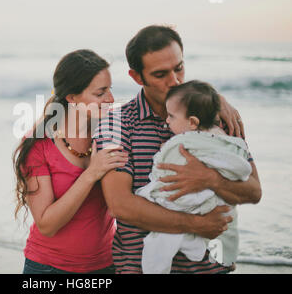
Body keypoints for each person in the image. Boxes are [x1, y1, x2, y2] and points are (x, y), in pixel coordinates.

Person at [93, 25, 262, 274]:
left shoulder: (217, 117)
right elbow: (121, 206)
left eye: (179, 68)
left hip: (209, 269)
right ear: (137, 77)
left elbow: (254, 191)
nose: (174, 81)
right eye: (160, 74)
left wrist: (210, 179)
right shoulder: (117, 124)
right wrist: (196, 224)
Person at [13, 49, 128, 274]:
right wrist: (91, 173)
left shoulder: (111, 135)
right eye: (100, 92)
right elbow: (47, 224)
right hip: (48, 268)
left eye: (110, 89)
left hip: (107, 266)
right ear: (72, 98)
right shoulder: (39, 144)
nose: (110, 99)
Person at [135, 80, 252, 274]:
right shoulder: (228, 139)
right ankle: (224, 256)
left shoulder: (181, 143)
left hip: (188, 202)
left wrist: (162, 155)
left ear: (192, 122)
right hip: (218, 205)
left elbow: (161, 169)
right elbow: (240, 168)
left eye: (171, 117)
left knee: (157, 240)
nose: (167, 121)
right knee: (228, 217)